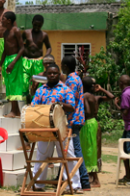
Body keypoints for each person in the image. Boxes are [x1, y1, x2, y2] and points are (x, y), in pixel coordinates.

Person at [31, 64, 81, 193]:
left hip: (62, 129)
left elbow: (71, 107)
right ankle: (38, 184)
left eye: (55, 73)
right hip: (45, 129)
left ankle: (74, 185)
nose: (52, 75)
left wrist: (59, 105)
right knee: (41, 156)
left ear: (59, 75)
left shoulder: (66, 90)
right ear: (46, 75)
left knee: (67, 156)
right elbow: (34, 106)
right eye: (49, 73)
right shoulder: (41, 90)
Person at [62, 55, 91, 191]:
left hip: (73, 119)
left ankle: (84, 181)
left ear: (66, 66)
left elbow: (70, 101)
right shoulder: (74, 78)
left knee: (75, 150)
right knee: (71, 150)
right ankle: (67, 177)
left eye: (62, 65)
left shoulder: (72, 80)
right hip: (76, 118)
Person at [81, 76, 115, 188]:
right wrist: (101, 89)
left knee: (88, 150)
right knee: (94, 149)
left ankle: (95, 179)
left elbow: (87, 111)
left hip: (87, 124)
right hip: (95, 122)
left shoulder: (84, 96)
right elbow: (111, 97)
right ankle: (91, 176)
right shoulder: (96, 98)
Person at [0, 11, 25, 118]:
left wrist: (13, 63)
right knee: (8, 85)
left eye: (3, 18)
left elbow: (22, 48)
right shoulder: (5, 33)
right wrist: (0, 65)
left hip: (15, 59)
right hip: (7, 59)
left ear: (9, 21)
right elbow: (5, 50)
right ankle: (15, 111)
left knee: (13, 85)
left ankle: (14, 111)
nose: (1, 20)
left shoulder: (16, 31)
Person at [22, 14, 52, 97]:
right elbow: (20, 45)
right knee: (24, 80)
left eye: (39, 25)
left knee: (37, 83)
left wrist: (46, 56)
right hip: (26, 61)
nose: (37, 27)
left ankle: (35, 101)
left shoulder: (44, 35)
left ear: (42, 24)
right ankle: (24, 100)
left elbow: (49, 47)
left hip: (38, 61)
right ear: (32, 23)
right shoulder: (26, 32)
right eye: (35, 25)